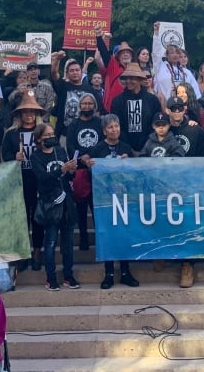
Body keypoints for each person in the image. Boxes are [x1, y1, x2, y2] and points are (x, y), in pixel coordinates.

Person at [86, 114, 140, 290]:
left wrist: (128, 163)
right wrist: (91, 167)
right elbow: (92, 176)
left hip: (123, 199)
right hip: (104, 200)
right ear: (104, 131)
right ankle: (108, 273)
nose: (114, 130)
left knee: (124, 233)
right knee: (107, 234)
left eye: (116, 126)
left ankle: (125, 271)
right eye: (110, 127)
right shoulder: (97, 150)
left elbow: (133, 175)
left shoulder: (125, 148)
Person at [30, 123, 80, 291]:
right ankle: (51, 278)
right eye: (47, 135)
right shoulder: (36, 157)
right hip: (50, 204)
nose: (51, 137)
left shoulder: (60, 151)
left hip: (66, 202)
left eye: (53, 133)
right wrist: (61, 169)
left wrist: (71, 170)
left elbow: (68, 177)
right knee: (50, 242)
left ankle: (68, 275)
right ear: (39, 139)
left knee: (68, 243)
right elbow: (43, 178)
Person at [1, 90, 45, 270]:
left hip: (39, 179)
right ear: (19, 114)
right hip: (20, 180)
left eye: (32, 112)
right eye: (25, 112)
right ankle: (23, 251)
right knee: (22, 218)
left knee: (38, 217)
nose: (28, 115)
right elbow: (5, 155)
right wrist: (14, 157)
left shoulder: (42, 131)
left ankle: (37, 250)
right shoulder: (12, 134)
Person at [65, 93, 103, 251]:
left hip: (96, 169)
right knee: (81, 208)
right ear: (80, 106)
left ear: (94, 105)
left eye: (89, 103)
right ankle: (83, 239)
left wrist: (91, 156)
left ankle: (100, 239)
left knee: (97, 208)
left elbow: (102, 142)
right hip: (80, 171)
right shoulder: (73, 124)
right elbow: (70, 145)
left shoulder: (99, 123)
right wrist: (82, 159)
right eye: (84, 103)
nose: (87, 106)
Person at [110, 63, 162, 154]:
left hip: (149, 148)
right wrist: (129, 149)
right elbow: (118, 127)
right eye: (127, 78)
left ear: (140, 80)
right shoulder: (117, 101)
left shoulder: (152, 100)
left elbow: (156, 125)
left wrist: (146, 147)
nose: (128, 81)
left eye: (132, 78)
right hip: (124, 150)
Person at [50, 53, 103, 138]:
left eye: (77, 70)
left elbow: (98, 111)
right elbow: (54, 73)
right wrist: (57, 60)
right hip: (64, 133)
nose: (75, 72)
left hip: (85, 133)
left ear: (81, 72)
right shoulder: (63, 86)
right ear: (67, 73)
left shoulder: (89, 89)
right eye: (72, 70)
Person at [94, 24, 133, 112]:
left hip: (128, 109)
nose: (126, 54)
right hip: (111, 109)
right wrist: (99, 36)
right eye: (123, 53)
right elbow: (103, 52)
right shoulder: (113, 66)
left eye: (128, 52)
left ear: (131, 55)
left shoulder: (135, 70)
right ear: (118, 56)